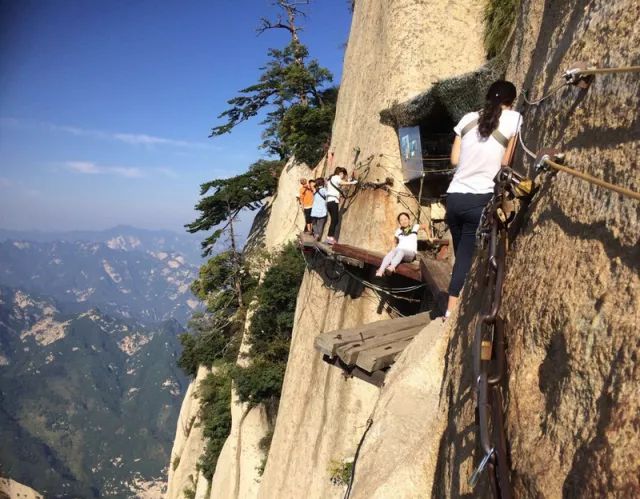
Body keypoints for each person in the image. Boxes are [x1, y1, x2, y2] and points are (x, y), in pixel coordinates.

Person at [444, 80, 521, 319]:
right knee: (466, 258)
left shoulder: (467, 119)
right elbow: (506, 163)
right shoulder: (514, 119)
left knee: (461, 255)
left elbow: (454, 160)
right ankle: (450, 313)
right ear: (512, 101)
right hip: (480, 198)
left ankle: (457, 296)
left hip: (454, 197)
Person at [325, 167, 357, 244]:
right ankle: (330, 237)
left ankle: (329, 237)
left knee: (334, 220)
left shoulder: (331, 179)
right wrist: (352, 183)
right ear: (341, 173)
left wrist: (348, 181)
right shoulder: (336, 177)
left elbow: (340, 184)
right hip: (333, 201)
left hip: (330, 202)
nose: (343, 176)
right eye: (344, 175)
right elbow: (342, 183)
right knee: (335, 220)